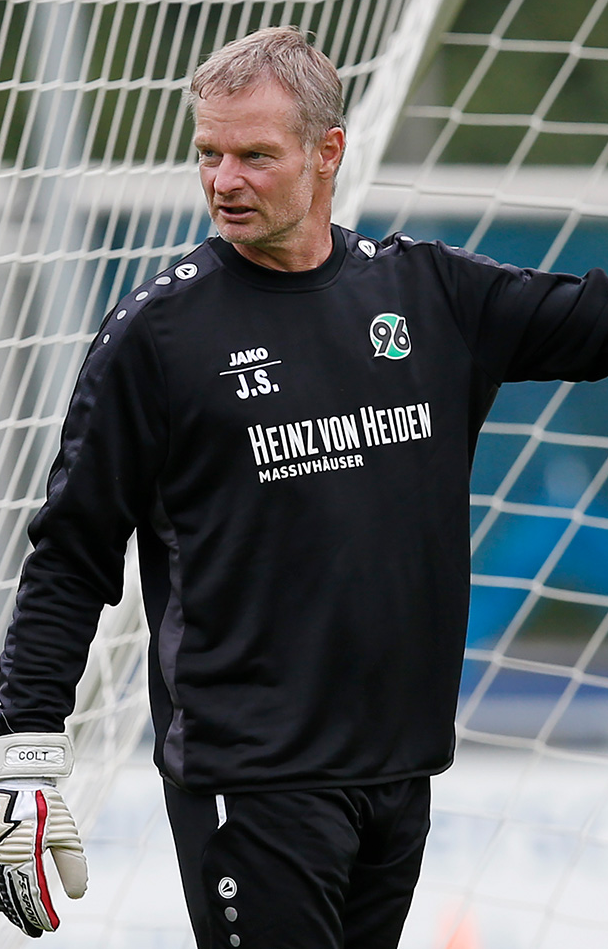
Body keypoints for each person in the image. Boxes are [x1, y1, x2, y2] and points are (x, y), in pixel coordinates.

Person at [1, 23, 608, 948]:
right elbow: (71, 554)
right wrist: (27, 751)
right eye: (208, 153)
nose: (224, 180)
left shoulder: (429, 296)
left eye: (254, 155)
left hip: (399, 771)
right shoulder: (156, 336)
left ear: (328, 152)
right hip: (252, 782)